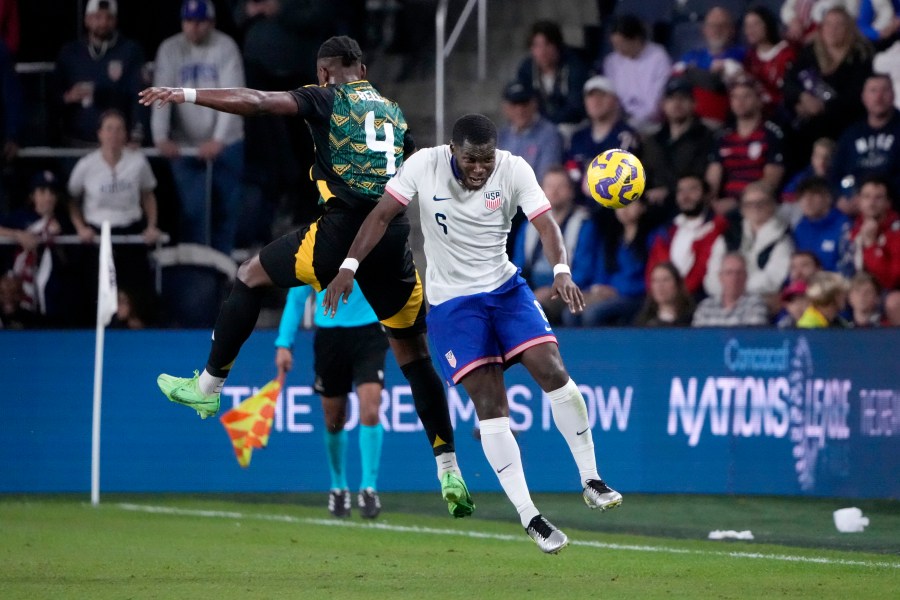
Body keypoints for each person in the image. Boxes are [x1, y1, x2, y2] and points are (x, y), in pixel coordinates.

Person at [141, 35, 475, 519]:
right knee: (414, 355)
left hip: (339, 235)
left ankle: (209, 389)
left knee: (250, 274)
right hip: (393, 239)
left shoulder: (325, 96)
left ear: (325, 72)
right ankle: (448, 468)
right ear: (362, 67)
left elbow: (256, 103)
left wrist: (186, 95)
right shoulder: (395, 112)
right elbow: (410, 175)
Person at [324, 114, 623, 554]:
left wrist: (561, 269)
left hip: (505, 290)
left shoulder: (514, 168)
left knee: (554, 369)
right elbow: (383, 214)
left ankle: (591, 479)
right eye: (470, 159)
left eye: (486, 158)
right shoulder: (423, 165)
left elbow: (546, 224)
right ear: (452, 150)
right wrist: (349, 266)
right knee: (490, 404)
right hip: (453, 307)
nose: (479, 167)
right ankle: (531, 516)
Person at [275, 282, 387, 519]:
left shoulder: (368, 244)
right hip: (330, 337)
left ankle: (369, 488)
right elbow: (296, 297)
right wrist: (284, 343)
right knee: (334, 419)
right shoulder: (315, 247)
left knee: (371, 409)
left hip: (369, 332)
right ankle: (338, 487)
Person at [151, 0, 245, 255]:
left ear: (211, 23)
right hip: (186, 145)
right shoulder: (170, 48)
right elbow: (162, 92)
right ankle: (197, 271)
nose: (194, 28)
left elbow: (232, 94)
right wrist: (160, 136)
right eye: (189, 21)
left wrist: (218, 140)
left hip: (227, 142)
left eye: (200, 22)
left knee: (226, 209)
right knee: (193, 211)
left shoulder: (225, 46)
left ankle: (224, 267)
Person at [68, 109, 160, 323]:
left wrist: (151, 225)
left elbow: (148, 195)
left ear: (126, 134)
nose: (114, 134)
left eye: (119, 129)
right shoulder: (86, 165)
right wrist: (80, 227)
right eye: (109, 129)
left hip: (130, 231)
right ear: (100, 133)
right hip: (97, 233)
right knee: (94, 290)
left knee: (136, 292)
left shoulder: (138, 162)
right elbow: (72, 199)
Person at [782, 6, 873, 174]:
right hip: (808, 123)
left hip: (844, 123)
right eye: (828, 24)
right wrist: (801, 97)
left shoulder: (860, 55)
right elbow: (789, 82)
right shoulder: (809, 53)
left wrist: (823, 107)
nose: (833, 30)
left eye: (839, 25)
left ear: (850, 28)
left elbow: (857, 96)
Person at [53, 0, 148, 147]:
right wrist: (68, 97)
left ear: (115, 20)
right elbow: (52, 96)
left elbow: (139, 94)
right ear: (87, 19)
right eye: (97, 17)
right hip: (77, 141)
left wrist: (136, 134)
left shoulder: (130, 51)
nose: (103, 23)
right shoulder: (70, 53)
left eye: (108, 18)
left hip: (117, 144)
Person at [511, 166, 596, 325]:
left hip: (566, 291)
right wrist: (525, 291)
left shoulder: (584, 224)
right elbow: (518, 266)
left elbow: (584, 271)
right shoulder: (528, 226)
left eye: (560, 187)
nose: (554, 192)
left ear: (571, 191)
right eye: (549, 186)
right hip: (532, 291)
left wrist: (552, 290)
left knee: (536, 309)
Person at [706, 76, 785, 216]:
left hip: (757, 206)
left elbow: (770, 182)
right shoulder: (722, 137)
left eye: (746, 96)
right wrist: (710, 203)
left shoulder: (772, 134)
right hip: (723, 207)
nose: (740, 102)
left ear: (759, 100)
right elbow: (712, 180)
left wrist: (739, 202)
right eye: (735, 97)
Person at [705, 182, 794, 300]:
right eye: (749, 204)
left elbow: (773, 279)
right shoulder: (728, 236)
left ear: (772, 205)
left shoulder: (783, 238)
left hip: (761, 300)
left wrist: (736, 289)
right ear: (742, 209)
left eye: (762, 202)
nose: (755, 208)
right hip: (722, 298)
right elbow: (712, 274)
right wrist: (726, 292)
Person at [640, 76, 715, 215]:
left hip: (688, 205)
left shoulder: (705, 136)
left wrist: (669, 191)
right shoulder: (652, 141)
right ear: (663, 104)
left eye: (683, 98)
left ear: (694, 104)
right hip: (651, 206)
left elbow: (700, 176)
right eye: (672, 98)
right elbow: (645, 174)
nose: (677, 103)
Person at [645, 174, 729, 298]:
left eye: (693, 189)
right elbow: (653, 268)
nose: (685, 196)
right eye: (681, 191)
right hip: (662, 299)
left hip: (698, 298)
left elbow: (702, 270)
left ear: (706, 195)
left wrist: (678, 296)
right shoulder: (667, 230)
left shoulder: (717, 227)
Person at [831, 74, 900, 214]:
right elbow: (835, 173)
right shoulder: (851, 134)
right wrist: (842, 197)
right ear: (864, 97)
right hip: (856, 210)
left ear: (893, 95)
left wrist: (878, 200)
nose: (879, 97)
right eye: (873, 91)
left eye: (884, 90)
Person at [673, 6, 745, 128]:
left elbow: (718, 82)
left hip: (720, 123)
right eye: (712, 25)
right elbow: (676, 78)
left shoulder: (741, 54)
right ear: (704, 29)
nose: (717, 30)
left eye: (723, 25)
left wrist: (690, 72)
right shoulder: (691, 56)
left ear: (732, 30)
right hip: (688, 121)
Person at [600, 13, 672, 133]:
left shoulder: (658, 57)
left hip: (649, 122)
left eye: (621, 44)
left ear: (636, 39)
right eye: (614, 45)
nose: (618, 50)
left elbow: (654, 106)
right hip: (618, 119)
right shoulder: (612, 61)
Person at [515, 20, 588, 129]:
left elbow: (575, 106)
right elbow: (524, 100)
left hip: (571, 124)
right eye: (537, 46)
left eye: (547, 44)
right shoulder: (526, 69)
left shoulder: (574, 66)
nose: (542, 51)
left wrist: (550, 122)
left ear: (557, 46)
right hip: (540, 125)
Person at [497, 81, 563, 184]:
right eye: (514, 104)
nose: (520, 110)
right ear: (505, 108)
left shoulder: (550, 134)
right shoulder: (502, 136)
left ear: (534, 104)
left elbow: (545, 178)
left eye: (524, 103)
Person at [742, 4, 796, 114]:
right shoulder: (749, 57)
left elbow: (790, 90)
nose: (750, 30)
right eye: (747, 25)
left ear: (767, 25)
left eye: (755, 24)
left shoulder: (787, 52)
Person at [792, 176, 852, 273]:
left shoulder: (844, 226)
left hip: (833, 285)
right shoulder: (800, 228)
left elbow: (848, 267)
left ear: (828, 198)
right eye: (803, 196)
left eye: (813, 195)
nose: (807, 200)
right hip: (804, 286)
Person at [849, 176, 900, 291]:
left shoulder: (896, 232)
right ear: (859, 201)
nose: (871, 203)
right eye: (866, 197)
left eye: (878, 198)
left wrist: (871, 245)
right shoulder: (850, 229)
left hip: (885, 293)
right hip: (853, 290)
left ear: (888, 203)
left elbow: (891, 280)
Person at [693, 252, 770, 326]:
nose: (734, 278)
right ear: (720, 277)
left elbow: (752, 336)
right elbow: (698, 337)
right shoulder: (705, 307)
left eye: (739, 273)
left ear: (746, 277)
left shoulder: (756, 305)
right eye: (729, 273)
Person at [633, 262, 695, 327]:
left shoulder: (693, 318)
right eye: (655, 281)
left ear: (678, 284)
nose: (660, 286)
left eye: (666, 280)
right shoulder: (642, 322)